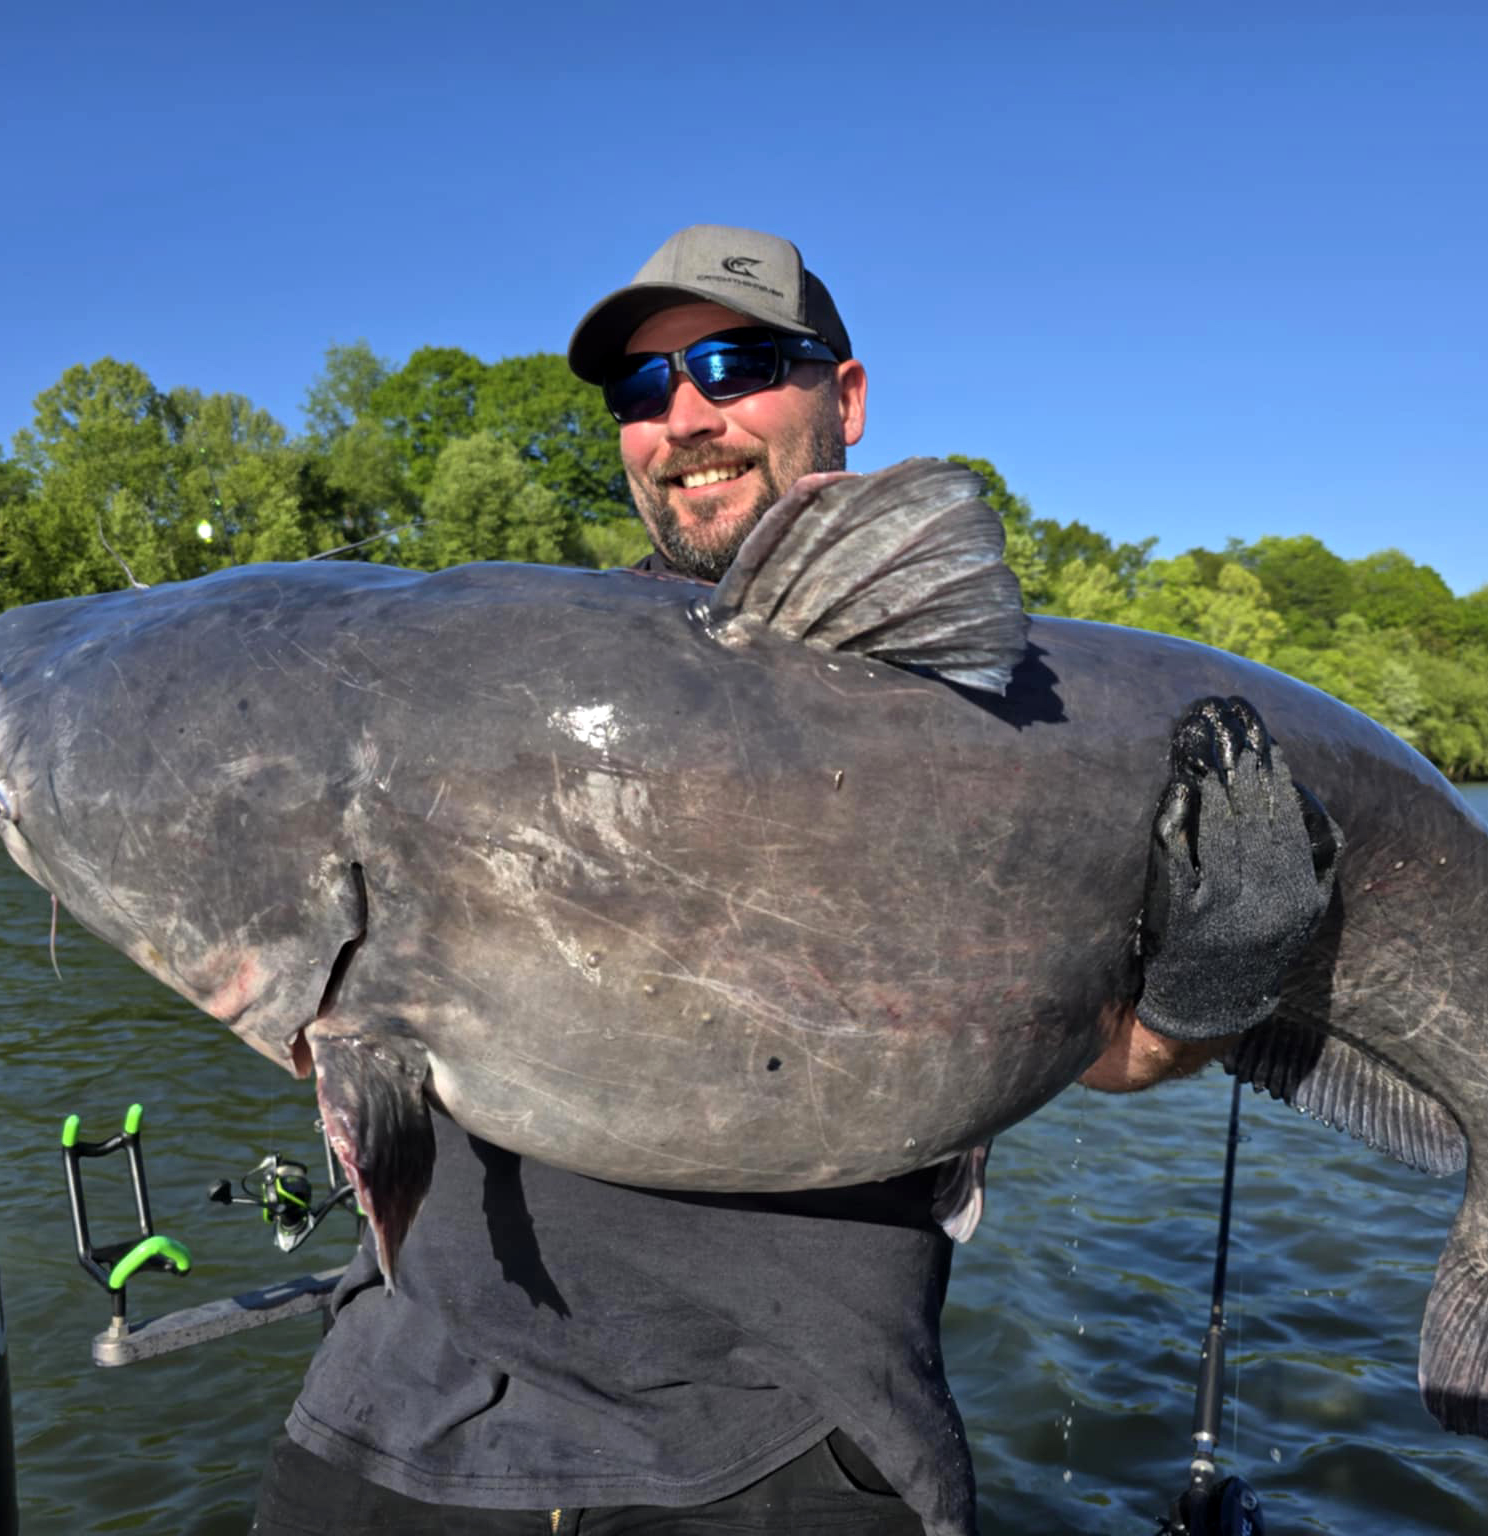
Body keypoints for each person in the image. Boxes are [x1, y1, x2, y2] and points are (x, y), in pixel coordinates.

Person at [254, 226, 1330, 1536]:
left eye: (737, 362)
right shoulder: (500, 683)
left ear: (847, 397)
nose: (686, 416)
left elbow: (1107, 1053)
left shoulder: (990, 714)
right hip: (407, 1410)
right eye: (643, 390)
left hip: (790, 1439)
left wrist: (1214, 984)